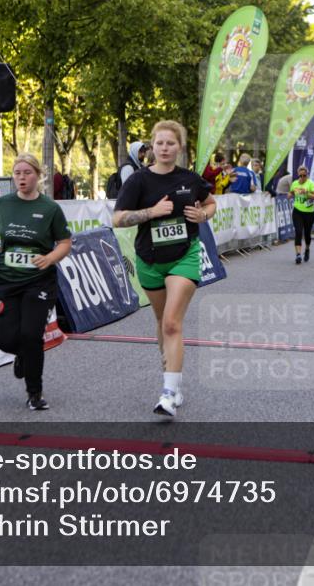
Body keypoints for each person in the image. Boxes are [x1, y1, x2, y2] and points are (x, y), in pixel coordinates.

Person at [113, 120, 216, 419]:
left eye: (170, 143)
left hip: (184, 256)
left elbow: (211, 203)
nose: (164, 148)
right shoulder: (138, 181)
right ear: (152, 147)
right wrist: (151, 212)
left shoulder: (190, 178)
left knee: (172, 322)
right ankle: (173, 375)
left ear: (179, 147)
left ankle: (168, 393)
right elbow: (117, 219)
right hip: (149, 260)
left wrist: (202, 215)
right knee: (161, 322)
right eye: (159, 143)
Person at [0, 153, 72, 411]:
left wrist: (50, 258)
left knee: (31, 335)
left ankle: (35, 393)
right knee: (5, 340)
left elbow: (65, 242)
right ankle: (21, 356)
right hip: (7, 280)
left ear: (38, 176)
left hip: (39, 282)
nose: (22, 177)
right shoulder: (4, 204)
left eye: (27, 173)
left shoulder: (50, 208)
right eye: (17, 173)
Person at [290, 164, 314, 264]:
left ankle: (307, 249)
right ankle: (298, 255)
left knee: (307, 234)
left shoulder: (311, 184)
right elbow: (291, 193)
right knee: (298, 231)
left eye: (304, 175)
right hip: (297, 211)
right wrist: (289, 195)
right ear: (298, 175)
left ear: (307, 175)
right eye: (300, 176)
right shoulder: (294, 183)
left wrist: (307, 193)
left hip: (309, 212)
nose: (302, 178)